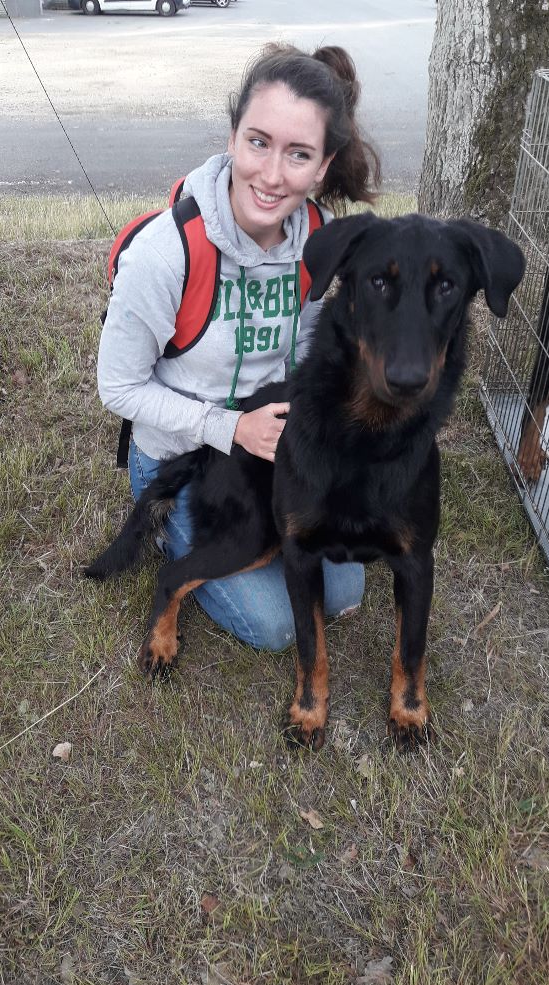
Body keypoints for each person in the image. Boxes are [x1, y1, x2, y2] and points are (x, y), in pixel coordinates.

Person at [97, 43, 380, 651]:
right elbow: (117, 387)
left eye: (298, 154)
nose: (273, 175)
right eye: (259, 142)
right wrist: (230, 429)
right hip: (185, 455)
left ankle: (260, 538)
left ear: (323, 165)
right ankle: (179, 531)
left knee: (346, 590)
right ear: (232, 137)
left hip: (273, 446)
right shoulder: (168, 252)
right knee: (276, 625)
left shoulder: (316, 239)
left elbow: (302, 339)